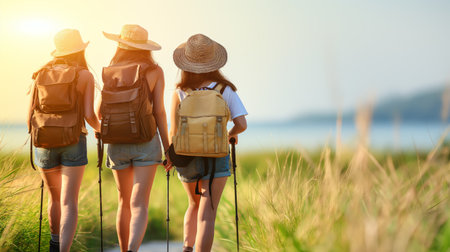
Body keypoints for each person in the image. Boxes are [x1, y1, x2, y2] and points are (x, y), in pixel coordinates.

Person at [169, 34, 248, 252]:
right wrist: (230, 134)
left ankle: (187, 247)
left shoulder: (180, 90)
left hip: (186, 155)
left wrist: (170, 156)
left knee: (193, 205)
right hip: (216, 155)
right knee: (208, 210)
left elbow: (173, 131)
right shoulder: (224, 89)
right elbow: (241, 124)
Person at [97, 24, 171, 252]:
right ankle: (132, 250)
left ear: (120, 44)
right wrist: (168, 149)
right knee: (139, 204)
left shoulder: (111, 70)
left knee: (124, 203)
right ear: (144, 47)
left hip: (116, 144)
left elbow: (99, 112)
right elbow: (159, 112)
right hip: (145, 142)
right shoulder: (154, 71)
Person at [28, 29, 101, 252]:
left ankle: (54, 244)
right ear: (80, 49)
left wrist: (38, 137)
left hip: (44, 141)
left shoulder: (39, 74)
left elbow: (30, 115)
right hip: (73, 140)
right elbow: (89, 115)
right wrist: (101, 131)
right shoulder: (84, 76)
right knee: (70, 201)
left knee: (54, 199)